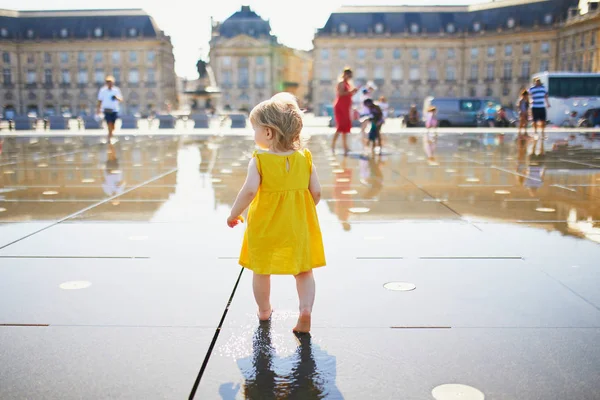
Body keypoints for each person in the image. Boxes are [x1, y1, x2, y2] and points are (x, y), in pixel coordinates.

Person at [227, 92, 326, 333]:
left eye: (255, 129)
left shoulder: (259, 159)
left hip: (265, 224)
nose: (254, 135)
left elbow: (249, 191)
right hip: (297, 224)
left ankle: (264, 310)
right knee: (303, 270)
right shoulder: (305, 157)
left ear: (268, 132)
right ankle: (305, 310)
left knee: (261, 269)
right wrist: (301, 212)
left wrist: (234, 213)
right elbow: (317, 192)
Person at [332, 68, 358, 155]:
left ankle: (345, 147)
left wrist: (353, 92)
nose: (350, 77)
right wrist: (351, 91)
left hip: (346, 107)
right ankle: (333, 145)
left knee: (345, 128)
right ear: (345, 74)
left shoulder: (348, 84)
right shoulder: (341, 83)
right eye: (349, 75)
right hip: (340, 106)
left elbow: (348, 94)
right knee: (340, 127)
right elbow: (341, 94)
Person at [96, 75, 123, 140]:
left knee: (113, 125)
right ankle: (110, 136)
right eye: (108, 82)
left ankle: (110, 134)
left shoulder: (116, 90)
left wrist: (116, 98)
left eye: (110, 82)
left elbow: (121, 99)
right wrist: (98, 110)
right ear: (106, 83)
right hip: (106, 110)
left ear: (113, 82)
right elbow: (100, 100)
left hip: (114, 110)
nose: (109, 83)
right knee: (109, 123)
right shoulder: (103, 90)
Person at [529, 77, 551, 150]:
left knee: (543, 121)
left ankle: (542, 133)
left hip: (542, 106)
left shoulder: (543, 88)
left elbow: (546, 96)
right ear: (535, 82)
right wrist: (530, 100)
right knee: (534, 121)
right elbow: (529, 96)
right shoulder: (532, 89)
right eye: (536, 81)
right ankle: (535, 132)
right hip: (535, 106)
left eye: (538, 81)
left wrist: (548, 103)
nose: (537, 82)